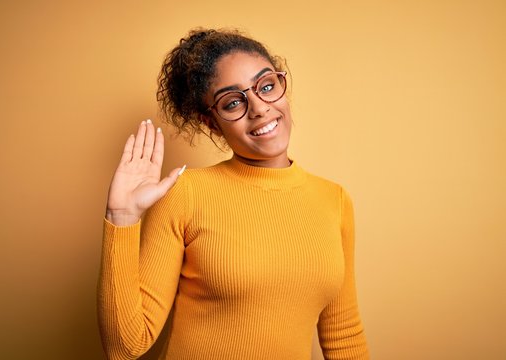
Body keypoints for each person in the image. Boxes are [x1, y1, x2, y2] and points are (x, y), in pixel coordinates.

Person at [97, 28, 369, 360]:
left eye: (266, 86)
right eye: (233, 102)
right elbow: (125, 347)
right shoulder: (185, 194)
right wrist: (122, 218)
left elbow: (344, 336)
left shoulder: (335, 201)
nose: (259, 108)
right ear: (211, 123)